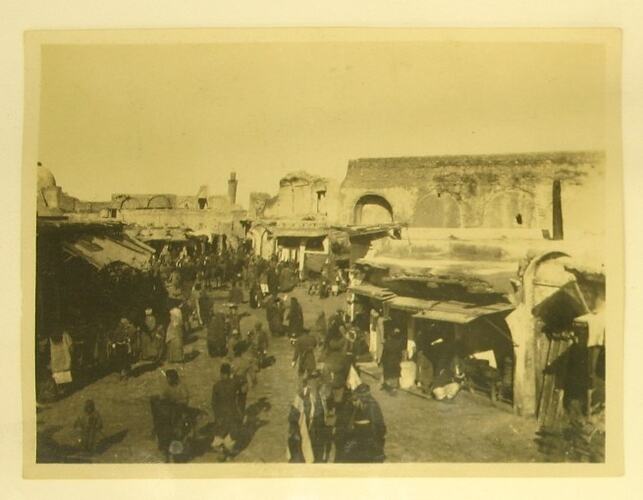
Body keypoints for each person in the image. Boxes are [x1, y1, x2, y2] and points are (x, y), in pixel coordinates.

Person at [287, 370, 329, 463]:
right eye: (312, 380)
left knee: (318, 451)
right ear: (308, 381)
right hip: (306, 427)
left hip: (319, 427)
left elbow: (325, 411)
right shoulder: (302, 395)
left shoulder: (321, 394)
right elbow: (293, 415)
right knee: (305, 452)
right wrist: (294, 430)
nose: (315, 382)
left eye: (317, 380)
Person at [343, 383, 386, 463]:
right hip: (357, 437)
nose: (353, 402)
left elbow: (379, 426)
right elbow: (347, 422)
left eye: (355, 400)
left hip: (370, 437)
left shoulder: (372, 405)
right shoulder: (352, 405)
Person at [211, 363, 242, 456]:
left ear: (221, 373)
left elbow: (213, 402)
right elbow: (241, 383)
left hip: (220, 413)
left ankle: (220, 447)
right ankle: (227, 448)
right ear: (229, 373)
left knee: (220, 431)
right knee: (233, 432)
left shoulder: (216, 385)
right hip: (232, 412)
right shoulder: (234, 383)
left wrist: (216, 414)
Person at [231, 340, 257, 417]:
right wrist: (253, 382)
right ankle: (241, 415)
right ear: (242, 352)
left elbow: (231, 373)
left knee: (234, 400)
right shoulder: (246, 362)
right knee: (242, 400)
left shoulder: (234, 361)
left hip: (235, 382)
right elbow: (252, 373)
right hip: (243, 383)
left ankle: (235, 414)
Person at [380, 328, 405, 393]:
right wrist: (400, 360)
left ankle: (388, 386)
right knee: (395, 374)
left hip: (388, 361)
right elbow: (400, 354)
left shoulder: (387, 343)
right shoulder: (399, 344)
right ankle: (394, 387)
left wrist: (381, 361)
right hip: (395, 361)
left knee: (388, 374)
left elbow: (384, 354)